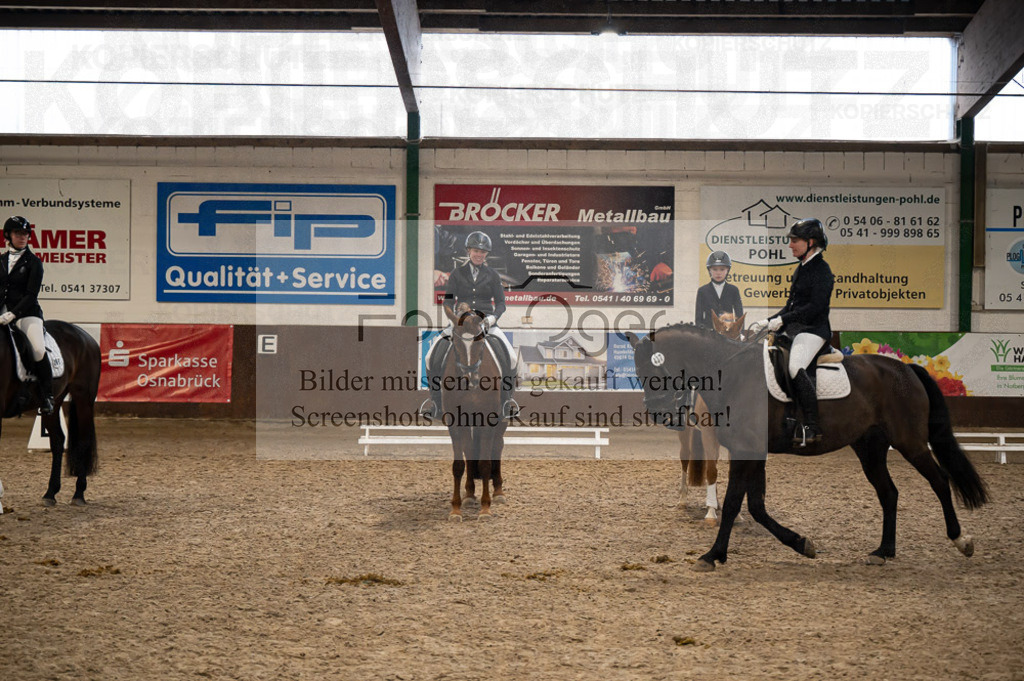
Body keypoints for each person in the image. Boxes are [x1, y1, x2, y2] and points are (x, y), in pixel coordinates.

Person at [748, 218, 834, 447]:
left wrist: (782, 320)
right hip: (796, 330)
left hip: (814, 331)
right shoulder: (801, 268)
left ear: (811, 242)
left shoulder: (822, 271)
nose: (790, 245)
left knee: (796, 366)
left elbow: (814, 308)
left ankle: (812, 426)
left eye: (795, 241)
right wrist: (766, 323)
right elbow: (791, 307)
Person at [420, 231, 520, 420]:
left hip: (485, 322)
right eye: (476, 250)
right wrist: (455, 320)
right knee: (429, 356)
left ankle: (507, 401)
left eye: (483, 252)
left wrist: (492, 319)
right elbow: (448, 302)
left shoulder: (492, 275)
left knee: (512, 358)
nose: (479, 254)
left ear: (486, 254)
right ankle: (435, 402)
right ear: (469, 251)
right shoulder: (457, 274)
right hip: (460, 322)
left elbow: (501, 303)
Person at [1, 216, 54, 415]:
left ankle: (47, 395)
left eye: (25, 234)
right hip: (2, 312)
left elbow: (31, 295)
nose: (22, 237)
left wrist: (13, 314)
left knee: (38, 349)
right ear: (8, 236)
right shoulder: (1, 261)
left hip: (26, 314)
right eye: (18, 233)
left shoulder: (34, 263)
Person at [694, 250, 744, 329]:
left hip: (728, 333)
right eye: (715, 269)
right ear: (709, 270)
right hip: (709, 334)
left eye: (722, 269)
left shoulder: (733, 290)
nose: (718, 273)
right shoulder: (702, 291)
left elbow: (739, 315)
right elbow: (698, 318)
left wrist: (740, 333)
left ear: (727, 270)